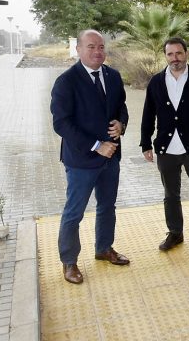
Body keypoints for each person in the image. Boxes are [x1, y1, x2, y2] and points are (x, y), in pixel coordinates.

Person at [51, 29, 130, 285]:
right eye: (91, 47)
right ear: (79, 49)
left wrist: (122, 124)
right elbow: (61, 124)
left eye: (101, 47)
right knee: (74, 212)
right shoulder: (66, 81)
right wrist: (96, 145)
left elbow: (121, 107)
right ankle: (69, 262)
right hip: (82, 161)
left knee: (107, 207)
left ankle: (104, 248)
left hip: (111, 159)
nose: (98, 52)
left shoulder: (114, 76)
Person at [140, 37, 189, 253]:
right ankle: (175, 233)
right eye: (170, 54)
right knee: (170, 195)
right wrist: (145, 142)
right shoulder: (156, 82)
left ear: (186, 54)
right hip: (166, 149)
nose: (175, 58)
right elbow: (148, 114)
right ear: (165, 56)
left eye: (179, 53)